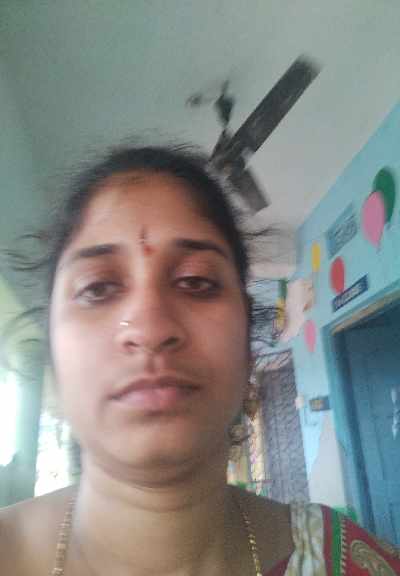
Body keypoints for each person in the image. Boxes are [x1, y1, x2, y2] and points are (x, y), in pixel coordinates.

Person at [0, 145, 399, 576]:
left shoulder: (352, 562)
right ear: (53, 357)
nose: (150, 328)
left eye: (196, 281)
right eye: (97, 288)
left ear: (247, 348)